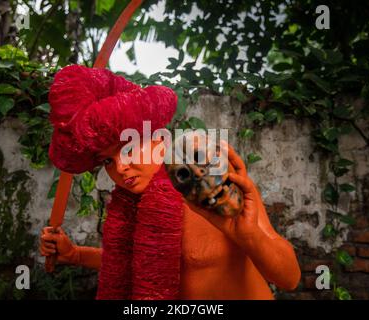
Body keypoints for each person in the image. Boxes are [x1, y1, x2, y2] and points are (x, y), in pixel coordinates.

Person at [40, 65, 301, 300]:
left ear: (158, 138)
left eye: (128, 149)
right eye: (107, 161)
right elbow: (138, 262)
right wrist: (75, 255)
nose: (120, 167)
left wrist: (249, 236)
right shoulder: (130, 205)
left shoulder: (206, 181)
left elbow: (289, 279)